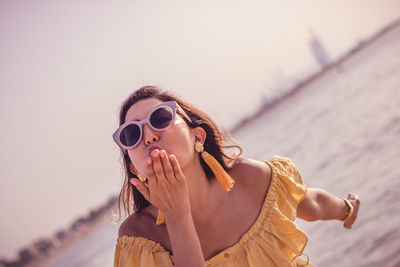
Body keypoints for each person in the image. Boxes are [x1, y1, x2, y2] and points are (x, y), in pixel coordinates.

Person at [112, 85, 360, 267]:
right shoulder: (138, 241)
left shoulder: (251, 178)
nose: (149, 136)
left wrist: (347, 209)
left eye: (160, 118)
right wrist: (177, 217)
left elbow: (310, 203)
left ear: (197, 136)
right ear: (134, 168)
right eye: (131, 135)